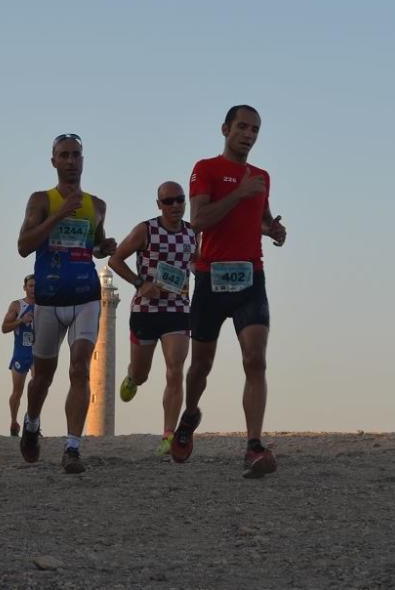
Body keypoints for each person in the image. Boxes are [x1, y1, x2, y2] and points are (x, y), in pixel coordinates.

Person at [172, 105, 287, 479]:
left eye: (255, 129)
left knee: (255, 360)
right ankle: (190, 415)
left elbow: (262, 217)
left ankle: (253, 446)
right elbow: (200, 220)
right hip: (210, 279)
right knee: (201, 366)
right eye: (242, 127)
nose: (249, 135)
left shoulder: (261, 177)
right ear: (225, 129)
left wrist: (274, 230)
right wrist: (238, 194)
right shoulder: (206, 169)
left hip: (251, 277)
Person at [16, 132, 117, 473]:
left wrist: (107, 248)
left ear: (83, 160)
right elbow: (24, 245)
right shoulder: (41, 200)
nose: (71, 161)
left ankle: (72, 446)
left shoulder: (97, 206)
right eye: (64, 155)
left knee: (79, 367)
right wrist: (59, 215)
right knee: (42, 377)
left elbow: (95, 245)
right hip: (48, 299)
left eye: (76, 155)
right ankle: (31, 424)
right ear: (54, 161)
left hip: (86, 296)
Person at [108, 181, 198, 456]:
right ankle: (132, 378)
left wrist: (202, 276)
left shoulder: (192, 233)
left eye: (179, 200)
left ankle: (168, 434)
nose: (175, 206)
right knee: (142, 373)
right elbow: (115, 260)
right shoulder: (145, 230)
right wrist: (139, 283)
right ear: (158, 204)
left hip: (178, 310)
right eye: (168, 201)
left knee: (175, 370)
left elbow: (195, 262)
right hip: (146, 310)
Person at [1, 274, 36, 437]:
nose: (33, 289)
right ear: (25, 287)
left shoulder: (45, 305)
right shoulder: (17, 305)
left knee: (37, 388)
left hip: (38, 352)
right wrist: (21, 321)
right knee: (17, 391)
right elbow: (4, 328)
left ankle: (33, 423)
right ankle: (14, 421)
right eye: (30, 285)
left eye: (36, 285)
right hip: (21, 351)